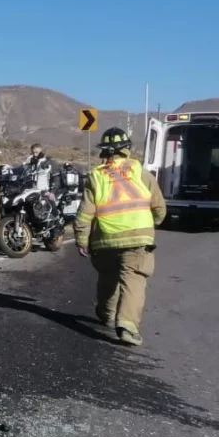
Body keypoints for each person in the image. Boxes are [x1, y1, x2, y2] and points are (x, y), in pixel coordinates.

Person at [74, 127, 167, 347]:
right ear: (127, 150)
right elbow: (159, 208)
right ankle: (127, 326)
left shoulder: (96, 176)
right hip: (137, 239)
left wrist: (81, 239)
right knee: (132, 280)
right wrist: (154, 220)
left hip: (105, 240)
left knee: (108, 277)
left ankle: (107, 314)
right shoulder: (141, 173)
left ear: (104, 152)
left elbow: (85, 213)